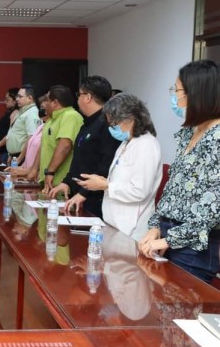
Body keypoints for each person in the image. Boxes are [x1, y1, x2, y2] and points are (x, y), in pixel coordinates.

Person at [139, 60, 220, 283]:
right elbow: (172, 188)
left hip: (194, 247)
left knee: (179, 312)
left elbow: (214, 207)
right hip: (168, 235)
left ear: (197, 93)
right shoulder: (190, 132)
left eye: (177, 90)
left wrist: (169, 240)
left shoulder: (217, 138)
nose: (174, 96)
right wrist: (155, 227)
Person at [76, 93, 162, 240]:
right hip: (114, 224)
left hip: (131, 229)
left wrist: (106, 185)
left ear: (130, 119)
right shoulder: (127, 142)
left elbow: (139, 190)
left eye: (113, 124)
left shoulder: (146, 145)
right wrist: (102, 181)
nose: (111, 129)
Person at [48, 76, 120, 217]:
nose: (77, 99)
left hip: (94, 199)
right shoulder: (87, 124)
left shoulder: (107, 124)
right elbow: (79, 161)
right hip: (78, 196)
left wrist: (84, 193)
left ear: (87, 97)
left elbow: (106, 165)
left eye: (79, 94)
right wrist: (67, 183)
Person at [39, 85, 83, 191]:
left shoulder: (70, 116)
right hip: (48, 180)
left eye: (47, 101)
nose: (44, 105)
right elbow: (44, 147)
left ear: (55, 103)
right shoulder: (51, 119)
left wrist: (50, 172)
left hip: (61, 182)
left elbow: (65, 146)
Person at [0, 85, 40, 164]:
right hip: (15, 156)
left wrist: (19, 158)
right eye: (17, 96)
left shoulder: (32, 114)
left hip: (23, 157)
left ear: (29, 98)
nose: (17, 99)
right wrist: (11, 154)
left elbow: (31, 138)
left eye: (20, 97)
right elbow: (13, 133)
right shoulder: (22, 111)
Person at [8, 94, 48, 180]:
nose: (41, 110)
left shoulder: (50, 128)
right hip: (29, 172)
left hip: (39, 174)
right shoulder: (41, 127)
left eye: (44, 108)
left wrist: (31, 170)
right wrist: (21, 168)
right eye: (41, 107)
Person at [0, 88, 19, 161]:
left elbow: (10, 134)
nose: (5, 101)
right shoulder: (9, 112)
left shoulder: (15, 113)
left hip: (7, 152)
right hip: (2, 151)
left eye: (7, 99)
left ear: (15, 100)